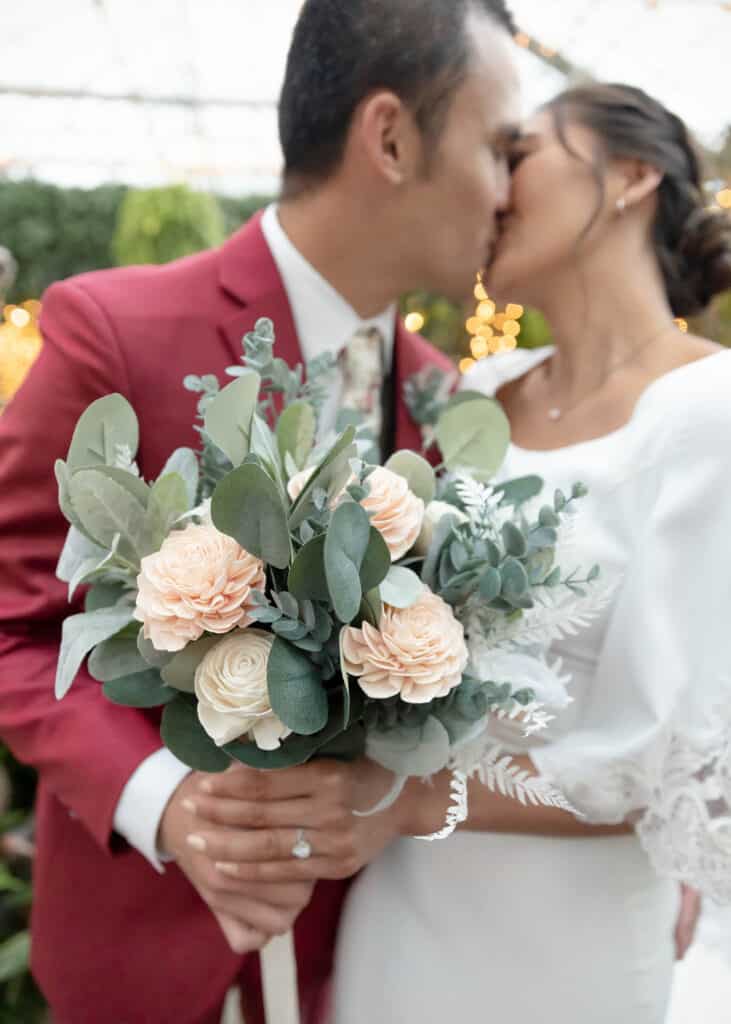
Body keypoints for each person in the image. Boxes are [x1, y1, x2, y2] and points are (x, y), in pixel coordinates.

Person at [0, 1, 522, 1021]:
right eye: (498, 148)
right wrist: (167, 800)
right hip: (139, 963)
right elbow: (12, 622)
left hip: (369, 963)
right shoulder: (115, 330)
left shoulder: (446, 401)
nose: (508, 192)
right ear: (389, 137)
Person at [187, 83, 731, 1023]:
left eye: (518, 153)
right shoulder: (479, 388)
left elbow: (672, 768)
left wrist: (401, 799)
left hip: (571, 934)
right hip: (402, 908)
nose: (492, 186)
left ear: (631, 175)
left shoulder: (707, 411)